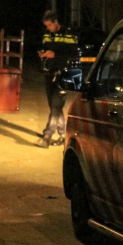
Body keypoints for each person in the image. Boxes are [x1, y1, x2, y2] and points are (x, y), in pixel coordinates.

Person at [36, 10, 77, 148]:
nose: (48, 28)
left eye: (49, 25)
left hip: (63, 74)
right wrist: (41, 53)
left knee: (55, 106)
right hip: (49, 74)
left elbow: (73, 55)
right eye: (46, 26)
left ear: (56, 22)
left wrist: (55, 55)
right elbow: (42, 46)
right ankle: (63, 135)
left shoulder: (68, 34)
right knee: (55, 106)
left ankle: (47, 136)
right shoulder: (47, 34)